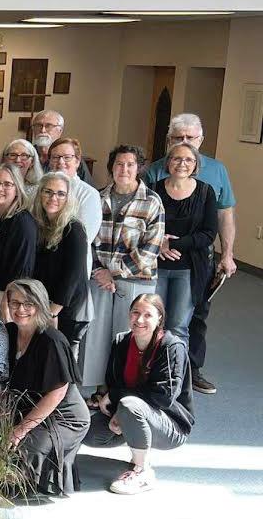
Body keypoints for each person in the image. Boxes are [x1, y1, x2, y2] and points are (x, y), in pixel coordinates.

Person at [142, 113, 237, 394]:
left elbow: (224, 215)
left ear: (201, 140)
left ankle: (187, 372)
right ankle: (150, 373)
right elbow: (143, 214)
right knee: (153, 316)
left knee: (193, 317)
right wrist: (159, 242)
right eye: (178, 138)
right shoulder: (154, 172)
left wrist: (227, 254)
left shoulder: (216, 172)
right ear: (168, 141)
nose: (184, 143)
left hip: (196, 261)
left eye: (190, 137)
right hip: (158, 261)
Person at [84, 294, 193, 495]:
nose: (139, 320)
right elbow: (113, 382)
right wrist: (117, 410)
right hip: (129, 411)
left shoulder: (172, 346)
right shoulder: (122, 341)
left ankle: (142, 470)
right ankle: (136, 436)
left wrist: (118, 398)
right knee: (87, 433)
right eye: (135, 313)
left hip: (169, 423)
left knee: (129, 405)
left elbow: (164, 397)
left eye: (147, 315)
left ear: (159, 318)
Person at [83, 145, 165, 388]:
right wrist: (99, 271)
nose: (124, 169)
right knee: (96, 335)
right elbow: (87, 239)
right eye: (119, 164)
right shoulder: (98, 198)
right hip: (99, 278)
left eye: (130, 164)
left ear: (139, 168)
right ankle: (96, 387)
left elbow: (151, 247)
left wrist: (114, 272)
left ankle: (120, 389)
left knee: (129, 334)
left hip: (136, 278)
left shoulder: (152, 201)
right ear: (112, 167)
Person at [3, 279, 90, 496]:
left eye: (28, 304)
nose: (20, 309)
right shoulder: (9, 332)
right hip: (28, 409)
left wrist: (20, 431)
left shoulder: (52, 340)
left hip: (63, 416)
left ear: (40, 305)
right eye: (15, 303)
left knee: (25, 449)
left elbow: (57, 393)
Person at [150, 143, 218, 371]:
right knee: (153, 324)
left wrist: (173, 243)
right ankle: (150, 376)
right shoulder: (154, 189)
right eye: (177, 158)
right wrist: (159, 244)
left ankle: (174, 378)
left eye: (188, 159)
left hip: (189, 270)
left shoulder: (206, 192)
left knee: (178, 326)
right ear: (168, 162)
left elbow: (208, 234)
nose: (182, 164)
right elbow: (144, 225)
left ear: (196, 164)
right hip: (156, 267)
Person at [32, 172, 92, 364]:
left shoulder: (74, 228)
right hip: (44, 305)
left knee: (61, 364)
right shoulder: (39, 225)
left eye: (60, 193)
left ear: (68, 198)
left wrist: (53, 312)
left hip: (65, 310)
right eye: (48, 192)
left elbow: (73, 276)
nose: (53, 198)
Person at [0, 163, 37, 290]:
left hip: (2, 295)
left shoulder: (23, 222)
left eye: (7, 184)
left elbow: (21, 274)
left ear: (17, 189)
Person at [31, 109, 90, 182]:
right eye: (38, 125)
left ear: (60, 131)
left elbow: (87, 187)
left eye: (49, 126)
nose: (43, 130)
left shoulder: (71, 159)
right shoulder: (26, 155)